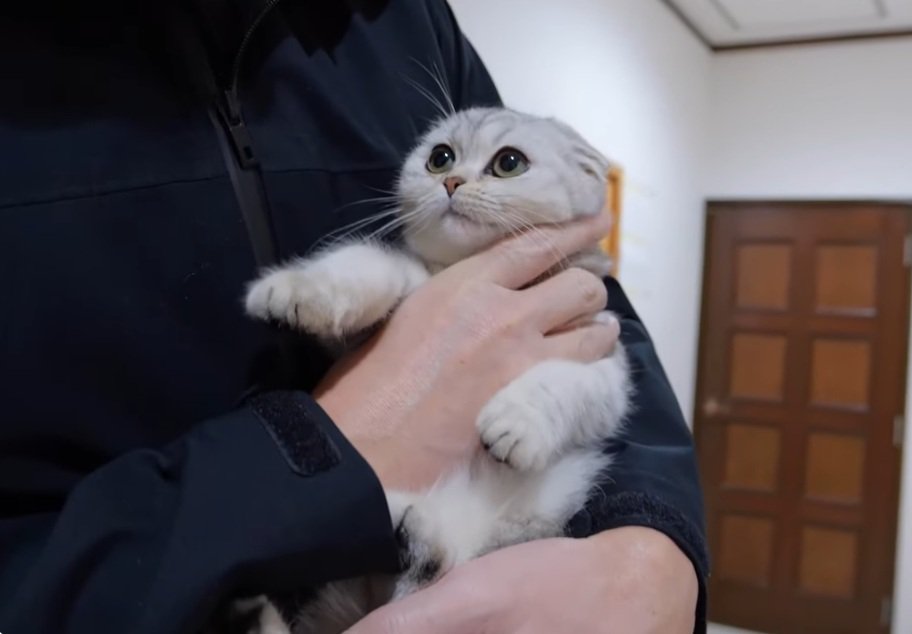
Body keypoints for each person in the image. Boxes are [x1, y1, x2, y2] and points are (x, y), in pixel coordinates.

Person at [0, 1, 709, 633]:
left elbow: (595, 321)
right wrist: (326, 447)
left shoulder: (403, 17)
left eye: (501, 165)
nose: (456, 179)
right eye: (441, 159)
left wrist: (655, 543)